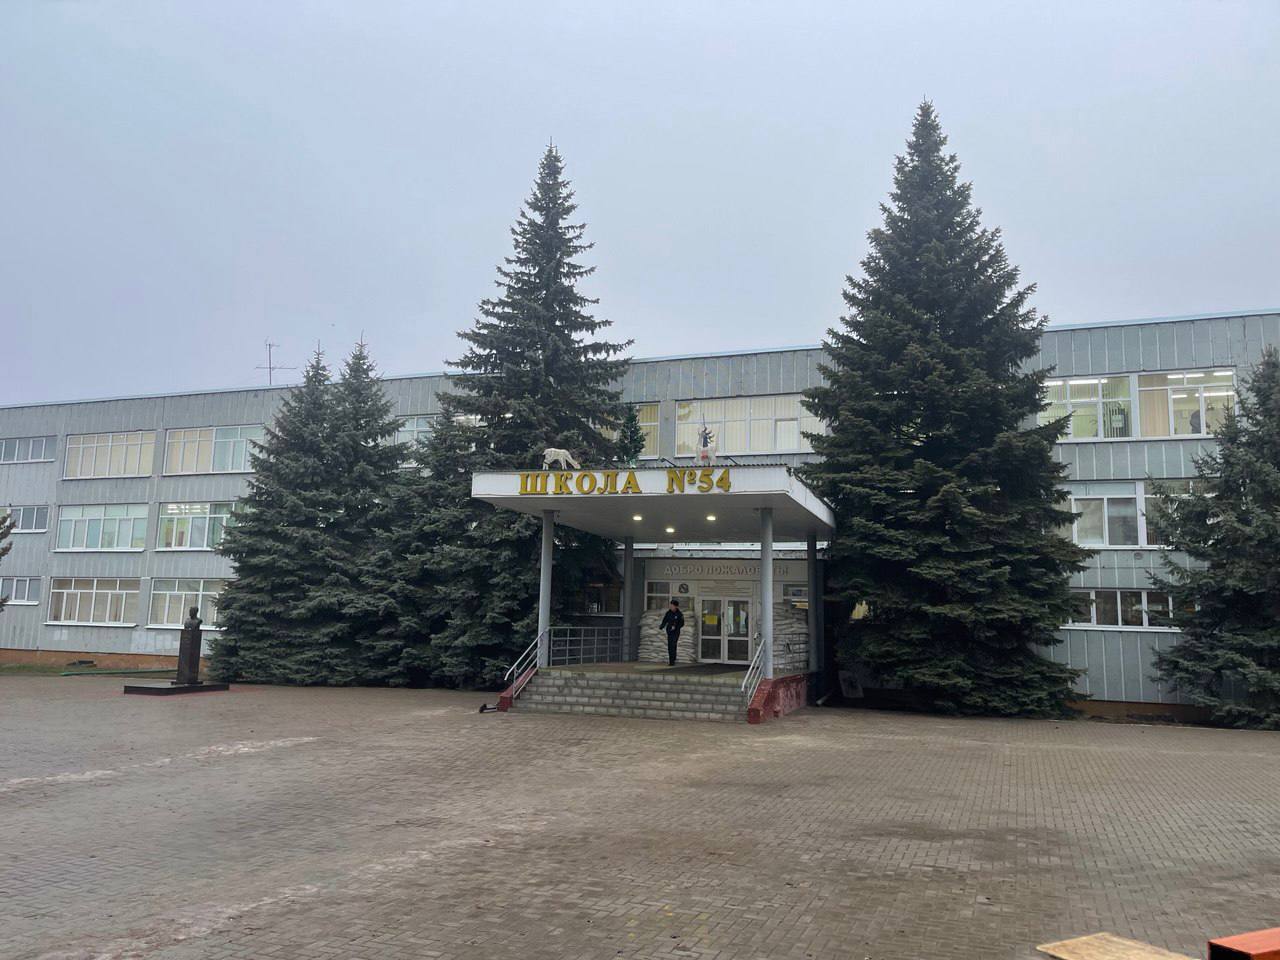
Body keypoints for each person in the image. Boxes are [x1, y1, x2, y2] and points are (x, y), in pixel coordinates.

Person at [659, 599, 684, 666]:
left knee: (673, 645)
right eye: (670, 605)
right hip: (669, 632)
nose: (671, 607)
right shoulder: (668, 613)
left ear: (676, 606)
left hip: (676, 632)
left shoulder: (679, 614)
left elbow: (682, 623)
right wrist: (661, 626)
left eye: (672, 606)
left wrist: (676, 627)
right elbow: (665, 620)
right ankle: (671, 660)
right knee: (670, 646)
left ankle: (672, 660)